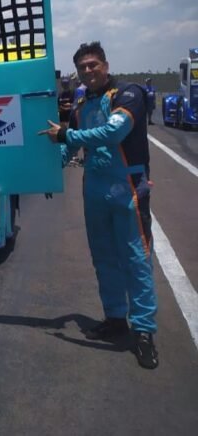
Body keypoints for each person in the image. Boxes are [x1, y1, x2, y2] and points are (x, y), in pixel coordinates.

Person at [38, 41, 158, 369]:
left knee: (136, 259)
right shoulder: (82, 105)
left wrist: (67, 136)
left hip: (128, 189)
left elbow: (113, 132)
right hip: (94, 188)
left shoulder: (128, 93)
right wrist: (47, 175)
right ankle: (116, 319)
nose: (88, 70)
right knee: (104, 258)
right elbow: (69, 148)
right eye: (82, 67)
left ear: (105, 65)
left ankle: (144, 331)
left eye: (93, 64)